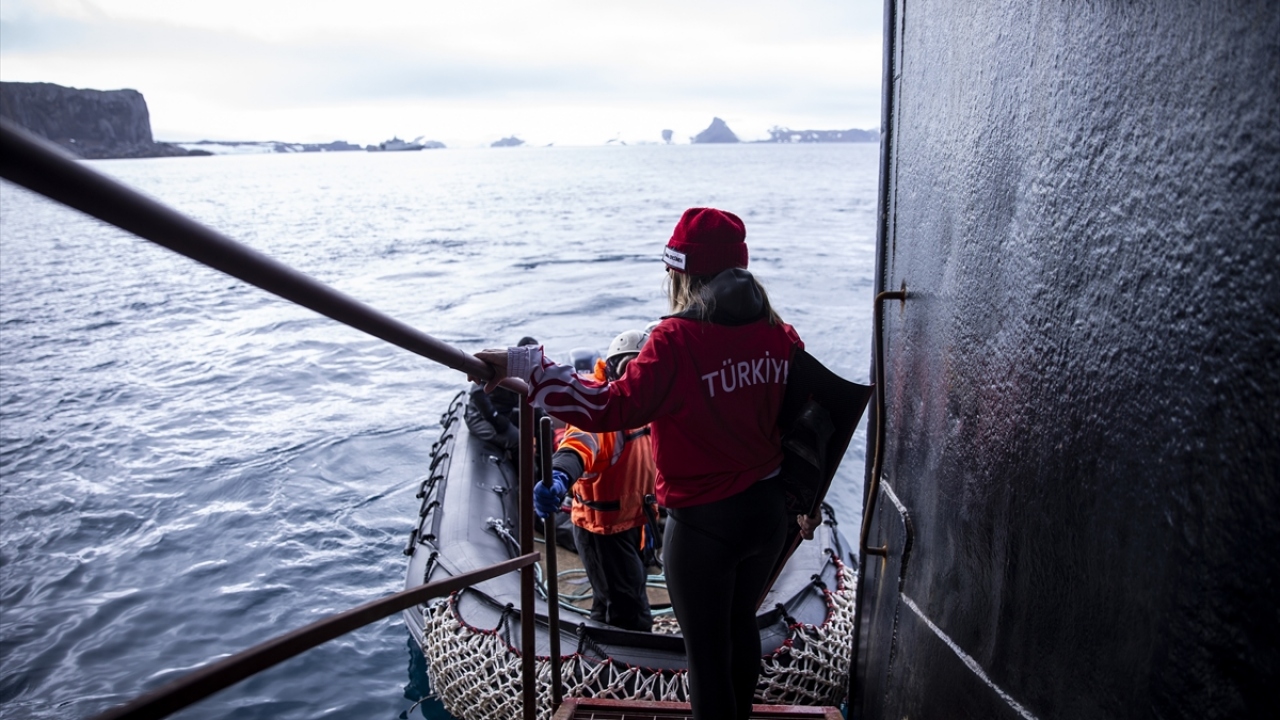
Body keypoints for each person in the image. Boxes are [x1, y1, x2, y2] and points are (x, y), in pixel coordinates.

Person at [474, 207, 804, 720]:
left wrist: (526, 365)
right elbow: (808, 417)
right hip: (766, 514)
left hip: (704, 527)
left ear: (682, 274)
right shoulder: (781, 336)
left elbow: (607, 408)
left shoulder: (675, 341)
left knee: (707, 658)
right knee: (741, 629)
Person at [535, 329, 658, 633]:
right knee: (630, 613)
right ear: (615, 368)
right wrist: (560, 475)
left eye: (643, 366)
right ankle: (628, 670)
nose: (637, 374)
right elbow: (580, 444)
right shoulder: (604, 412)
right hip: (603, 531)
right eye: (630, 366)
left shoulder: (648, 409)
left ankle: (595, 650)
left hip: (634, 524)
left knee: (609, 601)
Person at [463, 335, 539, 455]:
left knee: (539, 419)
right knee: (519, 441)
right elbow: (478, 394)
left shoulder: (535, 374)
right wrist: (496, 419)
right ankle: (526, 472)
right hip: (481, 417)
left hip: (505, 412)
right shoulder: (502, 367)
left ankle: (546, 463)